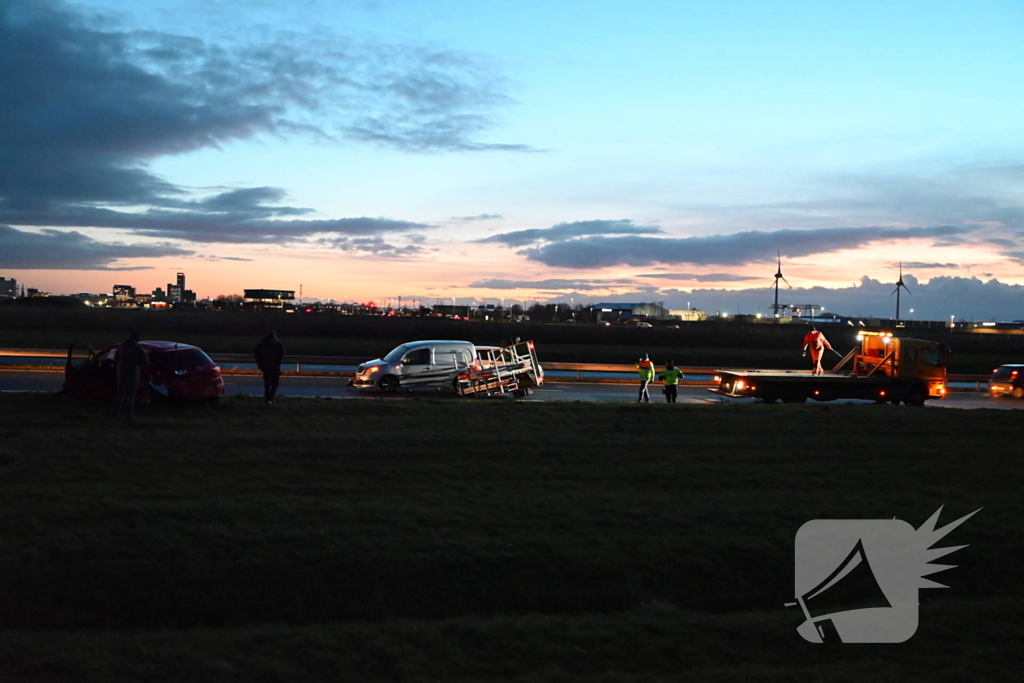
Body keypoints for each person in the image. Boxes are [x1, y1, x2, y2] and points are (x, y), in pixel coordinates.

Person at [114, 331, 148, 419]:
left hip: (121, 372)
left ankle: (116, 414)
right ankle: (128, 415)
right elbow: (145, 361)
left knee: (120, 394)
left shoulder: (121, 347)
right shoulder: (138, 348)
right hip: (133, 372)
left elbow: (116, 358)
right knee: (131, 395)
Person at [254, 330, 285, 404]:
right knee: (274, 383)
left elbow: (256, 354)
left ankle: (268, 398)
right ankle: (270, 398)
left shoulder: (262, 344)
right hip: (273, 367)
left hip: (266, 366)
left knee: (268, 383)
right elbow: (281, 355)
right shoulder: (277, 344)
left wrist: (260, 364)